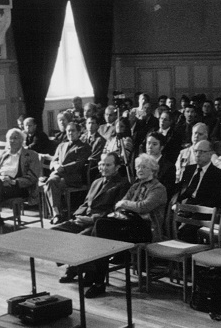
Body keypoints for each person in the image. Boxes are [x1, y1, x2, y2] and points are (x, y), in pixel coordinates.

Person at [82, 155, 169, 296]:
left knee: (101, 231)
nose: (139, 170)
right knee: (101, 227)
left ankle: (94, 277)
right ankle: (98, 281)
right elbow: (118, 206)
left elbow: (143, 207)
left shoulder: (159, 188)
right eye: (138, 167)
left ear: (153, 170)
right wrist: (129, 205)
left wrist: (126, 204)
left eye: (144, 167)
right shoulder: (135, 186)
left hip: (147, 230)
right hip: (129, 225)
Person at [51, 153, 129, 237]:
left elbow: (115, 211)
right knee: (52, 232)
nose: (104, 168)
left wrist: (92, 219)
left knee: (77, 239)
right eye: (102, 164)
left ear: (117, 167)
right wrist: (78, 216)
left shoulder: (123, 184)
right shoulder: (96, 182)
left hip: (100, 224)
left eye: (108, 165)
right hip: (83, 220)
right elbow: (86, 203)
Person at [0, 127, 43, 235]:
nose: (12, 140)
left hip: (19, 187)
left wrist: (13, 182)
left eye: (15, 138)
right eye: (10, 138)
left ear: (22, 140)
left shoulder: (31, 155)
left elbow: (33, 176)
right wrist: (1, 178)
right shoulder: (3, 154)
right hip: (0, 184)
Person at [41, 118, 91, 222]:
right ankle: (57, 213)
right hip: (58, 174)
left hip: (73, 176)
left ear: (79, 133)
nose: (70, 133)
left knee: (50, 184)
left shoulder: (84, 146)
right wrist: (56, 165)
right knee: (51, 182)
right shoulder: (61, 145)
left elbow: (79, 163)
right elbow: (54, 160)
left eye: (73, 131)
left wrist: (63, 168)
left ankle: (56, 213)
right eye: (68, 131)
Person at [175, 140, 221, 208]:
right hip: (182, 206)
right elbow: (181, 191)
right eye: (196, 151)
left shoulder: (218, 175)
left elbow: (216, 201)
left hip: (201, 209)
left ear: (211, 154)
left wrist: (194, 208)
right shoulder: (188, 169)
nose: (197, 155)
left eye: (201, 152)